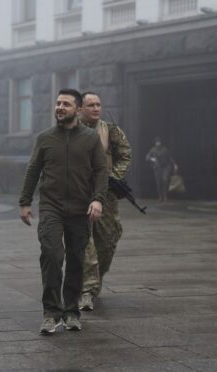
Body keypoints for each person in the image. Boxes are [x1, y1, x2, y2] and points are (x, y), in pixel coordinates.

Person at [19, 89, 108, 335]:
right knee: (51, 254)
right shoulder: (45, 138)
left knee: (76, 261)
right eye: (58, 103)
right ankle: (51, 313)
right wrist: (25, 202)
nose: (60, 107)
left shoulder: (90, 138)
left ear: (77, 110)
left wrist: (98, 200)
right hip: (51, 207)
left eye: (66, 104)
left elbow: (101, 171)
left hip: (81, 208)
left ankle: (71, 311)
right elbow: (33, 169)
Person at [78, 92, 133, 311]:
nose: (96, 108)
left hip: (106, 194)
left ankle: (94, 281)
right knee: (84, 242)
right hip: (79, 194)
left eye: (99, 104)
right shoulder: (71, 131)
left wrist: (114, 177)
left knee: (108, 241)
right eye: (91, 105)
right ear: (80, 108)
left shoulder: (110, 130)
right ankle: (87, 290)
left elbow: (126, 155)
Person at [146, 137, 177, 202]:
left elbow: (170, 157)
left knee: (165, 180)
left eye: (159, 142)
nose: (158, 143)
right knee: (158, 182)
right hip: (157, 167)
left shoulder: (165, 149)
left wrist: (174, 165)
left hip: (165, 167)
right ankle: (160, 196)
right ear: (155, 143)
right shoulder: (153, 150)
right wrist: (152, 159)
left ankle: (165, 196)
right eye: (157, 142)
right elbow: (147, 157)